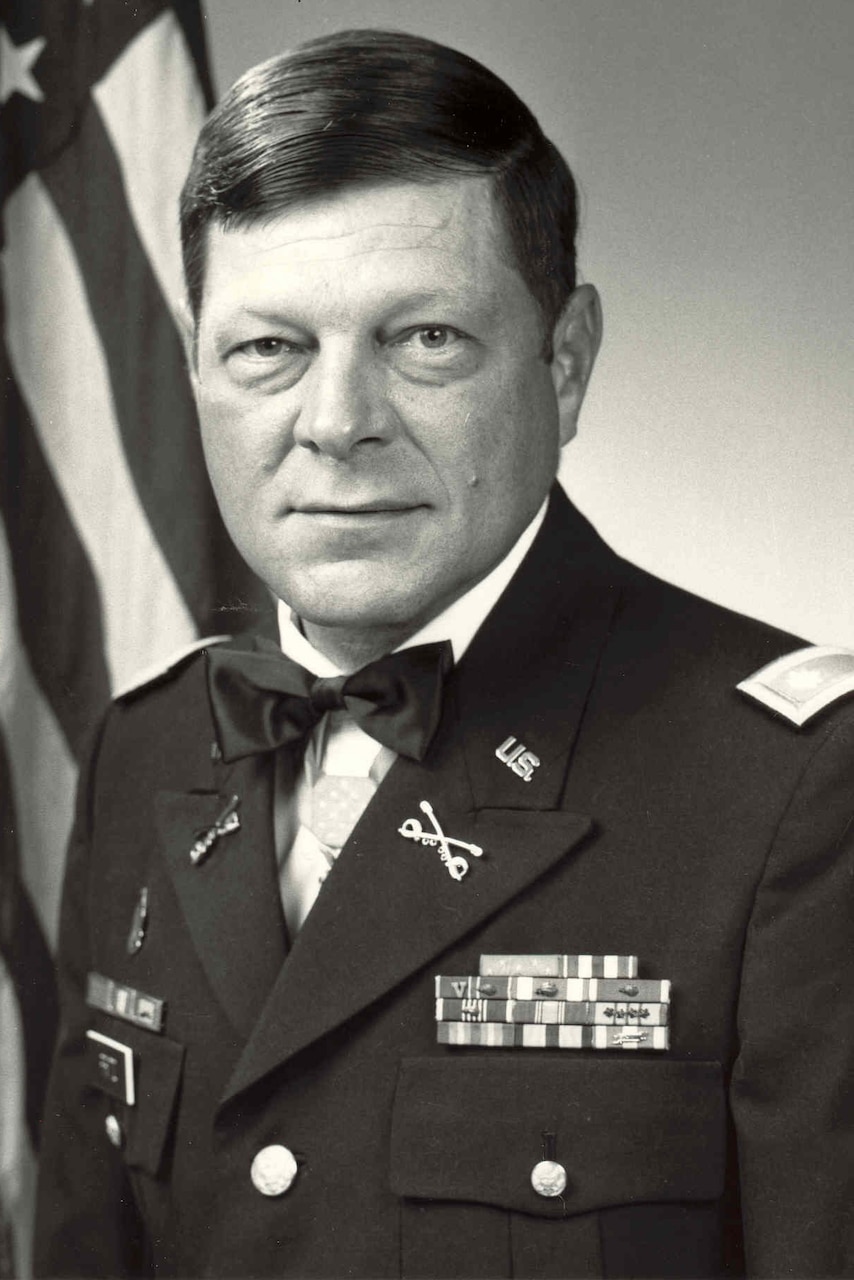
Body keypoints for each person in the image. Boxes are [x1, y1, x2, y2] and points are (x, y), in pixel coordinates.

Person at [34, 28, 854, 1279]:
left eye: (424, 340)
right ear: (195, 366)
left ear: (562, 363)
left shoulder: (790, 791)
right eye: (267, 348)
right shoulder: (143, 749)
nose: (335, 424)